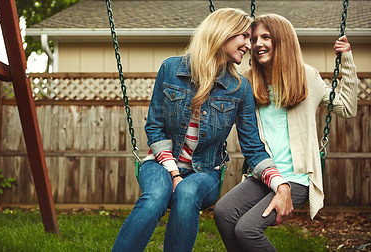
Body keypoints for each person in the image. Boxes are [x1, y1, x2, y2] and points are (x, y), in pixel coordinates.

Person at [112, 8, 288, 252]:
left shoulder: (240, 89)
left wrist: (280, 184)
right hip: (160, 164)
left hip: (205, 172)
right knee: (155, 197)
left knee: (186, 192)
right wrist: (174, 173)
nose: (249, 44)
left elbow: (253, 148)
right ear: (224, 33)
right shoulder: (171, 69)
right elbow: (155, 127)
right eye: (245, 36)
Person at [214, 13, 358, 252]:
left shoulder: (307, 77)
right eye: (254, 38)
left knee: (247, 229)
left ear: (283, 40)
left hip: (297, 177)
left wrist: (347, 62)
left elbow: (347, 108)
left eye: (266, 37)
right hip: (265, 173)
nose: (257, 43)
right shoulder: (247, 81)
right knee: (224, 212)